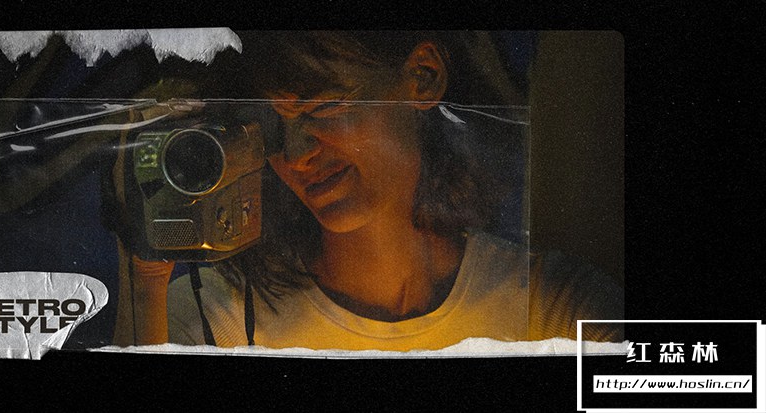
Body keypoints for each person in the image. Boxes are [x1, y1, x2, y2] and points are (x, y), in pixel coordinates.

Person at [108, 31, 623, 350]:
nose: (298, 153)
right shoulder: (214, 317)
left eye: (324, 107)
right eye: (274, 128)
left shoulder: (553, 309)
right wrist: (144, 276)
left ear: (423, 76)